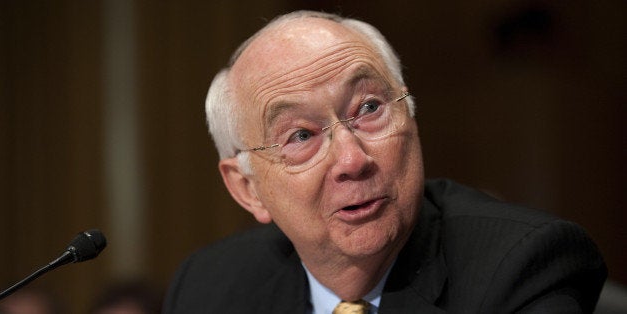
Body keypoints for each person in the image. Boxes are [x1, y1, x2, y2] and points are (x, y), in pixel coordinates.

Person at [163, 10, 607, 313]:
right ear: (248, 189)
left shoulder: (520, 270)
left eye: (370, 109)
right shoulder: (209, 289)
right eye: (301, 136)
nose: (352, 160)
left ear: (411, 115)